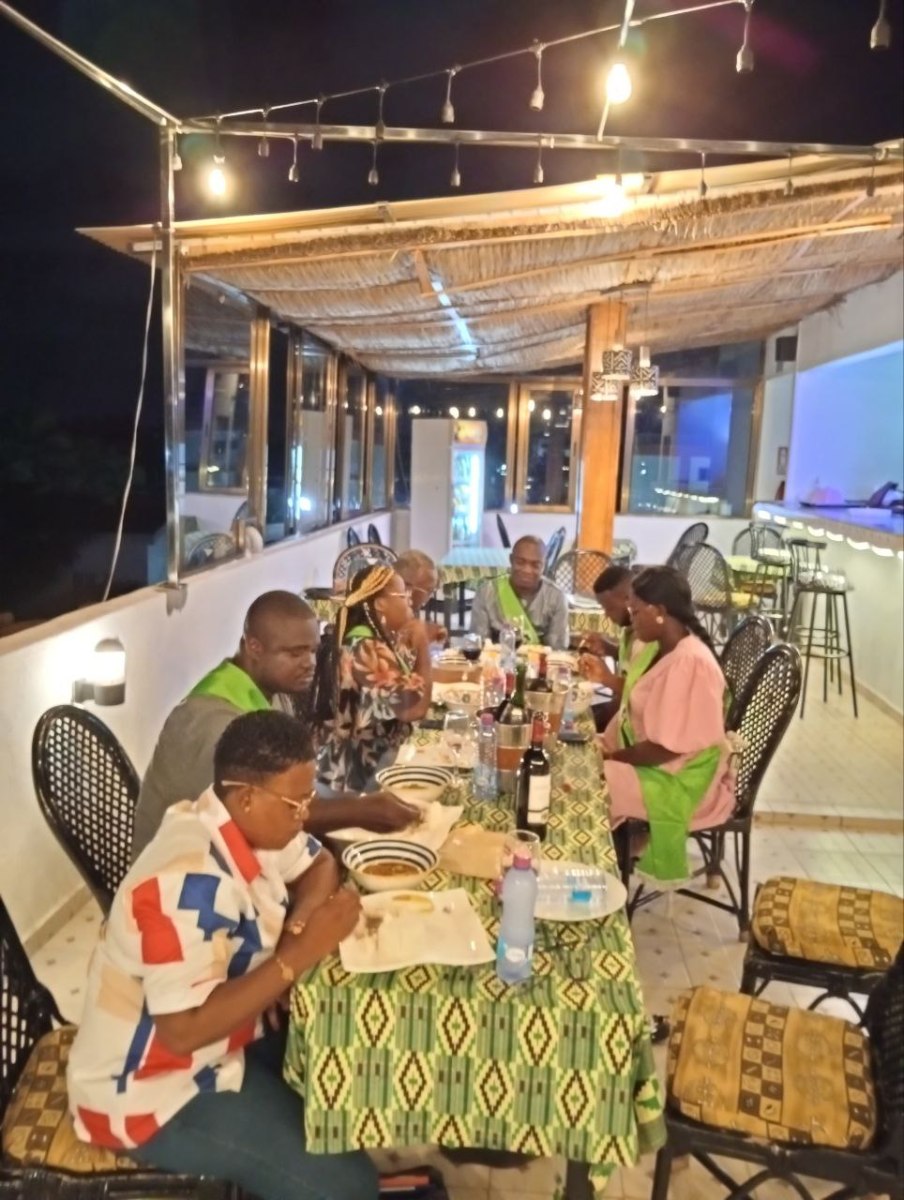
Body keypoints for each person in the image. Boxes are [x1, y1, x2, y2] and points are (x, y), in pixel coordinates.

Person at [68, 710, 378, 1200]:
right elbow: (182, 1030)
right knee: (349, 1186)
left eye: (308, 801)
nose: (304, 816)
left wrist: (297, 931)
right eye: (295, 805)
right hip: (152, 1090)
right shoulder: (184, 882)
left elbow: (320, 862)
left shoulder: (242, 824)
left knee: (347, 1053)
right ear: (247, 797)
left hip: (223, 1040)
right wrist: (297, 957)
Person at [132, 590, 417, 859]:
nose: (310, 663)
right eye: (294, 654)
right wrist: (359, 810)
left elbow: (291, 789)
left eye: (312, 651)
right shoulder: (214, 721)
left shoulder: (272, 693)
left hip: (234, 847)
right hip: (181, 869)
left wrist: (356, 804)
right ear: (254, 647)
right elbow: (261, 814)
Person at [600, 566, 735, 883]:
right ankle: (610, 852)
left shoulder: (691, 663)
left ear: (659, 612)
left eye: (636, 612)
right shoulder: (658, 647)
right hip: (654, 763)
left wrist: (611, 758)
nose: (631, 619)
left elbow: (665, 749)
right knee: (575, 757)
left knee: (591, 784)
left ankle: (601, 870)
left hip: (680, 779)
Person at [314, 564, 432, 793]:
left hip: (372, 759)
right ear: (380, 604)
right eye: (402, 595)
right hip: (362, 773)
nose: (409, 600)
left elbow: (404, 677)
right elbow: (413, 709)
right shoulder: (366, 649)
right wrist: (423, 646)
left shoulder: (372, 639)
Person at [470, 535, 569, 649]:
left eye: (535, 565)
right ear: (511, 560)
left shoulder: (557, 597)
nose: (527, 570)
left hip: (542, 660)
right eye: (520, 562)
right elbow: (479, 643)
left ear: (544, 565)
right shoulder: (486, 593)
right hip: (496, 658)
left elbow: (558, 649)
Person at [577, 564, 638, 729]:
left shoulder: (647, 637)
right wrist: (608, 647)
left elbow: (641, 692)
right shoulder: (629, 629)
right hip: (619, 708)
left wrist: (606, 678)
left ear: (628, 599)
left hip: (630, 721)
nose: (606, 614)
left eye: (609, 608)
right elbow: (631, 659)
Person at [395, 548, 448, 644]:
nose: (429, 597)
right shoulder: (384, 617)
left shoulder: (406, 612)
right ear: (406, 587)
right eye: (429, 591)